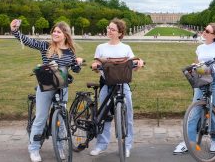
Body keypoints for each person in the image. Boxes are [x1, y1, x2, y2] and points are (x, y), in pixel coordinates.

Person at [10, 19, 83, 162]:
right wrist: (15, 31)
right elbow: (28, 41)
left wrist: (77, 62)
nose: (55, 33)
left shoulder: (70, 51)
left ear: (65, 35)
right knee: (41, 118)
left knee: (62, 119)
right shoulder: (46, 46)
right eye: (54, 31)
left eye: (58, 32)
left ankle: (61, 146)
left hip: (62, 88)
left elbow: (75, 69)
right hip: (46, 87)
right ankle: (34, 148)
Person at [173, 23, 215, 154]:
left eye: (207, 30)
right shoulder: (200, 47)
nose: (204, 32)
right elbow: (197, 62)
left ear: (214, 35)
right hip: (202, 78)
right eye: (204, 29)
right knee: (194, 111)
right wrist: (193, 66)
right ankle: (189, 141)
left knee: (214, 112)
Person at [90, 18, 144, 158]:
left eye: (113, 29)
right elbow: (96, 65)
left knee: (128, 116)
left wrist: (139, 63)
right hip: (106, 84)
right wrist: (95, 66)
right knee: (104, 116)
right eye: (108, 28)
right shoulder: (101, 47)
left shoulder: (126, 48)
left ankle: (127, 145)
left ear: (120, 33)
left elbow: (134, 66)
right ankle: (101, 145)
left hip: (122, 84)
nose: (109, 31)